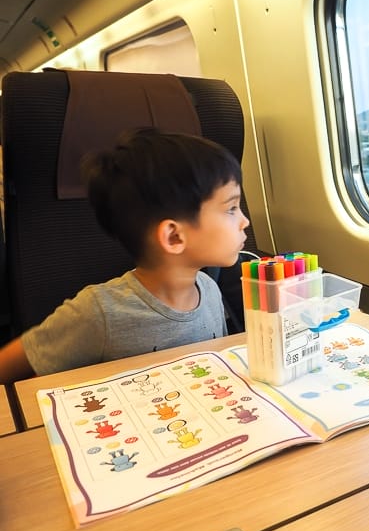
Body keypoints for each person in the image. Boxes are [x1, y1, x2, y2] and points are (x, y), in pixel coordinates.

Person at [0, 128, 250, 384]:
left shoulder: (209, 290)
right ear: (174, 237)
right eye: (231, 208)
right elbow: (10, 365)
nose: (245, 221)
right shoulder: (99, 311)